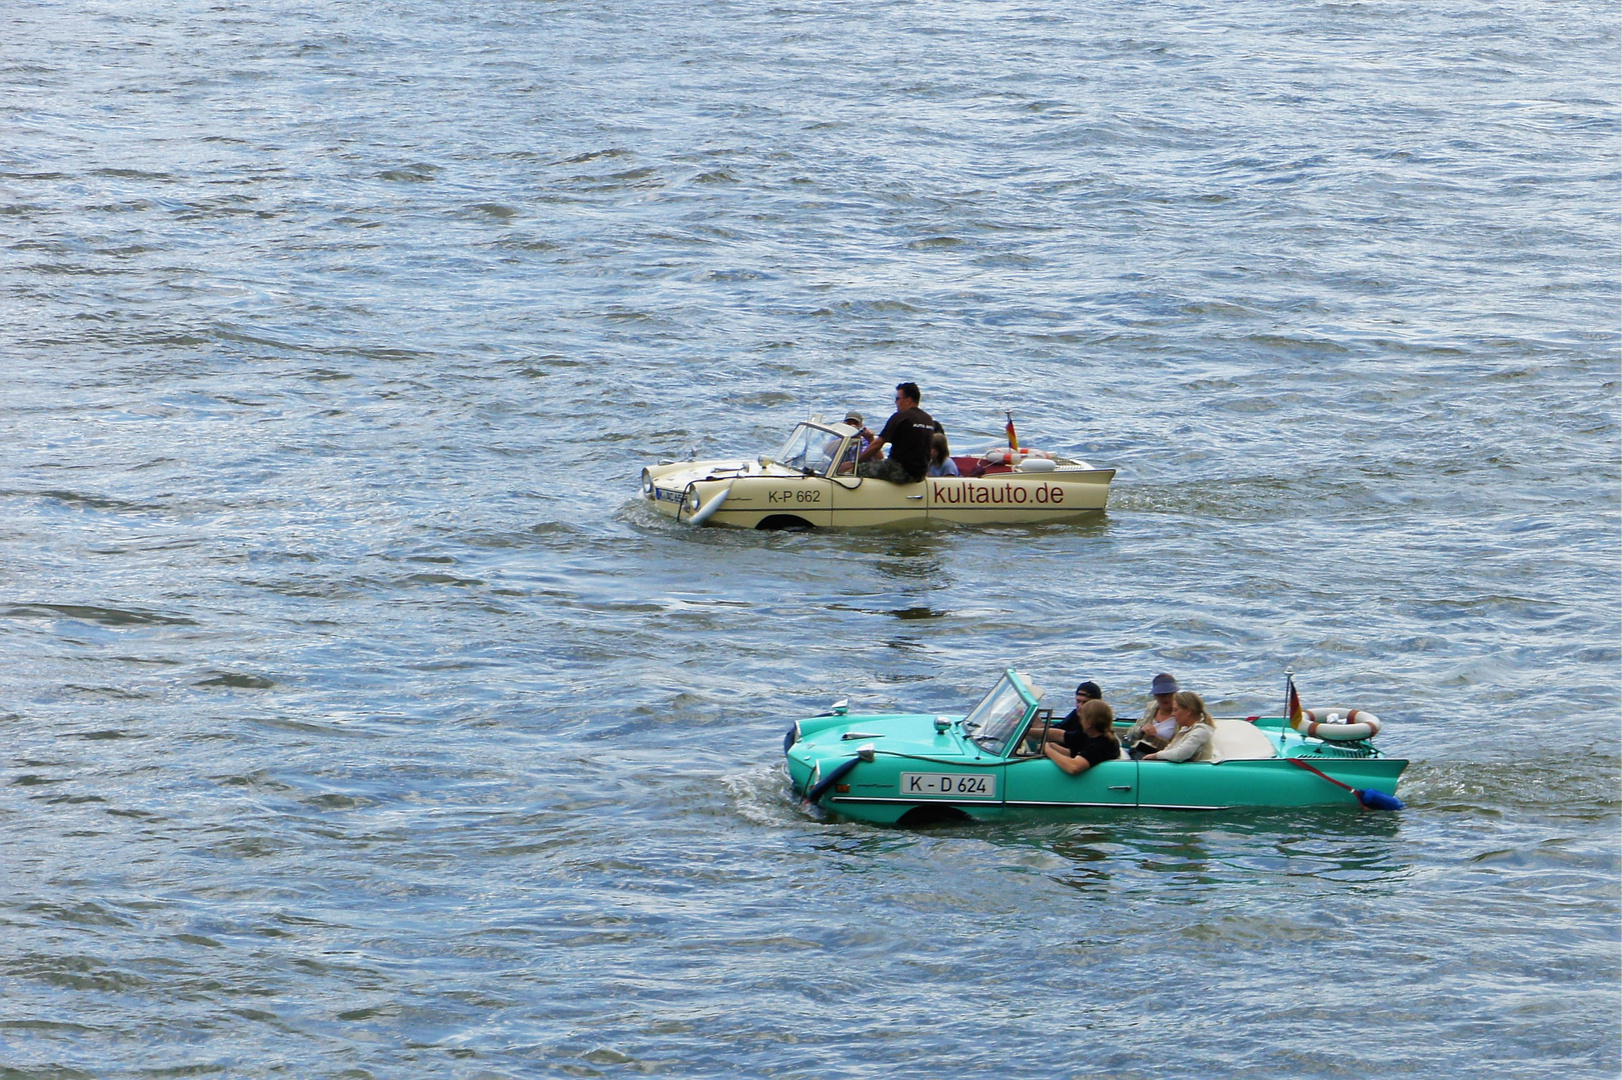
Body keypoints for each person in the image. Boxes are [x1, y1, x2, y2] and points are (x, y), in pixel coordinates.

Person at [857, 382, 935, 484]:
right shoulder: (928, 419)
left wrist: (856, 463)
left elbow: (877, 444)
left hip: (900, 472)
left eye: (898, 399)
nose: (895, 402)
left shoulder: (901, 416)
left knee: (851, 470)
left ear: (908, 400)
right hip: (919, 475)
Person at [1044, 699, 1121, 776]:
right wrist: (1051, 746)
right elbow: (1072, 754)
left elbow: (1074, 767)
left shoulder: (1101, 745)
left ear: (1089, 724)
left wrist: (1048, 750)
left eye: (1082, 719)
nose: (1080, 722)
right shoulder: (1095, 738)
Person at [1143, 691, 1216, 763]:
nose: (1173, 714)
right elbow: (1169, 749)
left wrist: (1155, 756)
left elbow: (1179, 754)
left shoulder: (1201, 731)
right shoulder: (1185, 729)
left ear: (1188, 711)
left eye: (1175, 710)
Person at [1125, 673, 1179, 757]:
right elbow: (1130, 734)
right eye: (1160, 694)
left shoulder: (1181, 714)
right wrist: (1141, 729)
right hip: (1140, 752)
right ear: (1154, 695)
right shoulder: (1151, 710)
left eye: (1169, 693)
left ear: (1175, 693)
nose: (1165, 697)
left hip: (1163, 758)